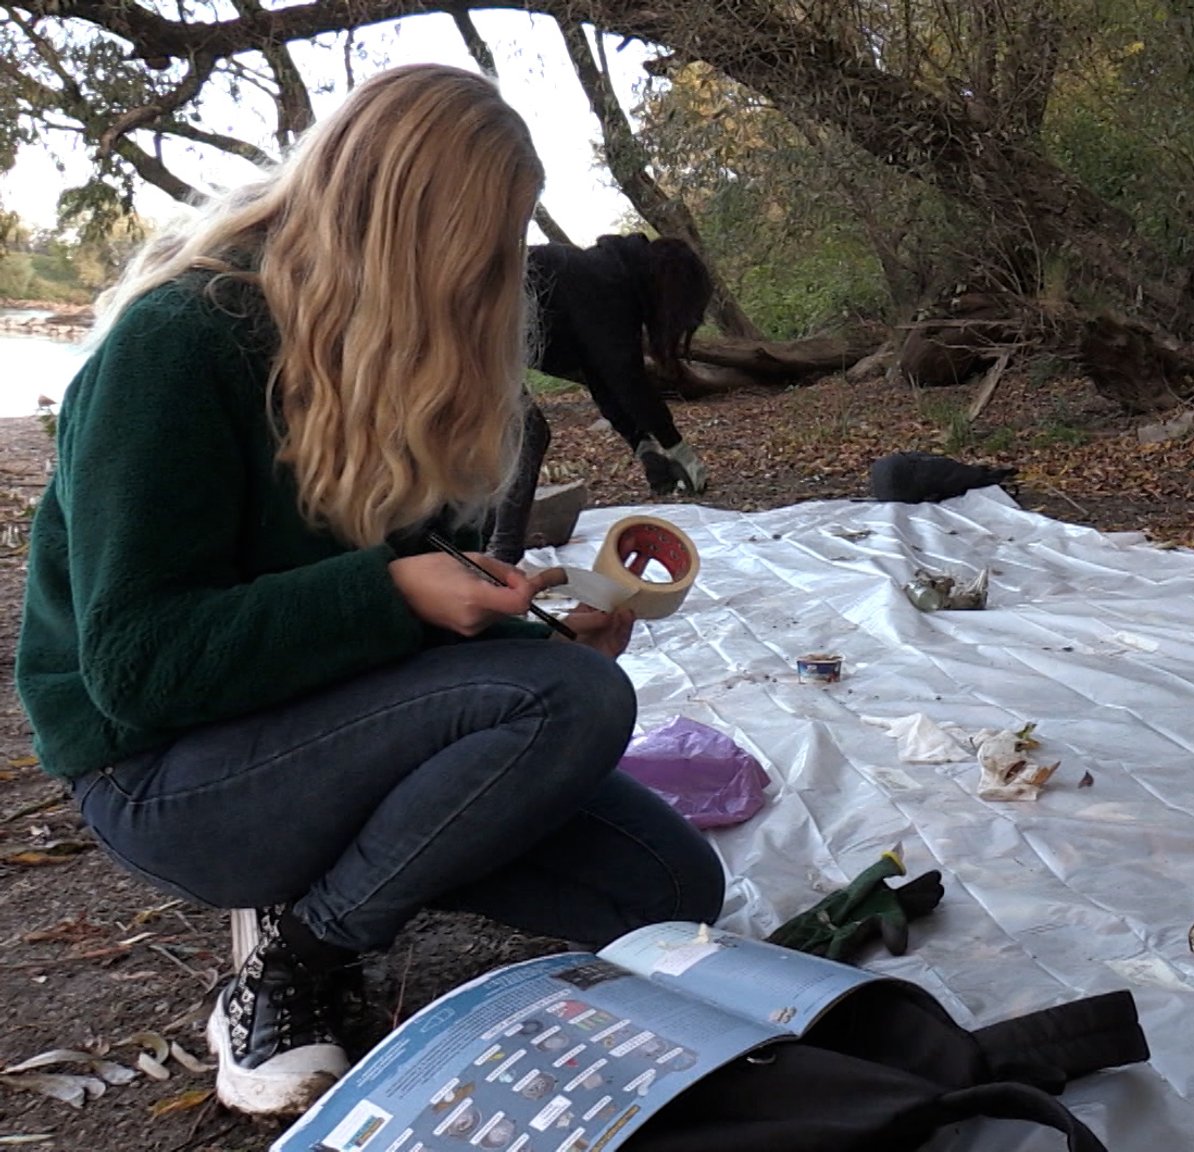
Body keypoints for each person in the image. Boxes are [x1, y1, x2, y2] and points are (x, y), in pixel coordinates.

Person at [12, 64, 726, 1116]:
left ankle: (328, 879)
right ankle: (294, 956)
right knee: (572, 705)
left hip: (316, 729)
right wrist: (397, 594)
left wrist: (524, 629)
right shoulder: (179, 345)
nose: (500, 282)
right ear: (403, 225)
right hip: (162, 776)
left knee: (669, 890)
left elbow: (417, 632)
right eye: (483, 246)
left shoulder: (393, 364)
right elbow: (137, 668)